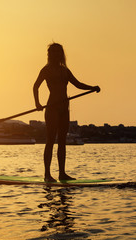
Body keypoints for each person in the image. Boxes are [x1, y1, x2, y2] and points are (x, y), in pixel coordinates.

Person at [33, 43, 100, 182]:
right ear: (50, 54)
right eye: (53, 52)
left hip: (64, 109)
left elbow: (78, 84)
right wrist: (38, 104)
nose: (56, 54)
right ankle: (47, 175)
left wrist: (92, 88)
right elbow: (35, 86)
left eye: (59, 52)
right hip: (52, 108)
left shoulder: (65, 71)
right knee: (51, 140)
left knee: (62, 141)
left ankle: (62, 173)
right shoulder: (46, 70)